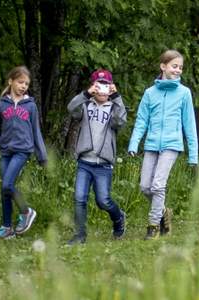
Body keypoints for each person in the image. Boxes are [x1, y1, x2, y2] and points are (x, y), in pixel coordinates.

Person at [128, 50, 198, 240]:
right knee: (145, 187)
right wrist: (134, 143)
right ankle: (164, 211)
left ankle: (153, 226)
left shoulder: (184, 93)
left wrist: (193, 155)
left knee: (158, 185)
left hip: (172, 145)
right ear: (163, 66)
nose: (178, 70)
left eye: (181, 68)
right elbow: (141, 120)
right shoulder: (150, 93)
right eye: (174, 66)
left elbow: (189, 125)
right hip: (151, 145)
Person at [66, 69, 127, 245]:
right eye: (98, 85)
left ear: (111, 87)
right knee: (79, 198)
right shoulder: (86, 106)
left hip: (103, 165)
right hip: (85, 162)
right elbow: (71, 108)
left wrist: (116, 97)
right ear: (93, 86)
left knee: (103, 201)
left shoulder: (115, 107)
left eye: (106, 85)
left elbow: (120, 121)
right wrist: (86, 94)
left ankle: (118, 218)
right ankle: (80, 235)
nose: (102, 89)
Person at [0, 66, 46, 239]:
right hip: (6, 152)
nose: (23, 86)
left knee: (7, 185)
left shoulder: (31, 106)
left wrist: (41, 156)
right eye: (20, 82)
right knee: (5, 189)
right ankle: (6, 228)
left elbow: (36, 131)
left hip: (23, 151)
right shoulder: (1, 105)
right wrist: (1, 144)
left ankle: (26, 212)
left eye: (26, 83)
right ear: (10, 81)